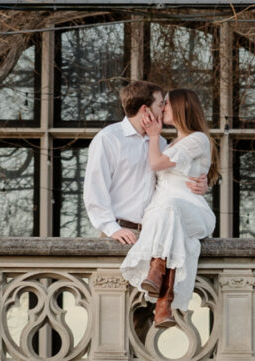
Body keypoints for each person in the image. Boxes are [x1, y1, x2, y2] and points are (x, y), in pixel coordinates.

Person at [121, 86, 215, 327]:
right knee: (167, 213)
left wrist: (153, 136)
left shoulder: (198, 139)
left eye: (167, 104)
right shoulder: (170, 142)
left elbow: (156, 163)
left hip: (192, 210)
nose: (162, 108)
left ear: (182, 108)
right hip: (164, 212)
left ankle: (157, 268)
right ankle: (164, 303)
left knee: (170, 207)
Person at [82, 80, 167, 250]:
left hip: (155, 235)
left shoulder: (161, 142)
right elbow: (95, 188)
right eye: (160, 104)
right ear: (145, 109)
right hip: (120, 235)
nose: (164, 109)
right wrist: (111, 228)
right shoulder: (109, 138)